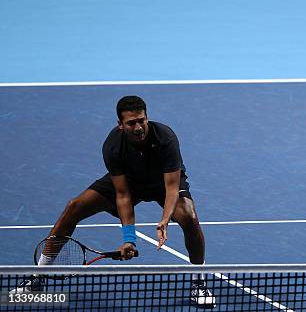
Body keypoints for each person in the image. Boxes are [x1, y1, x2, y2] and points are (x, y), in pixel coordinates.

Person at [11, 96, 216, 306]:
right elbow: (123, 194)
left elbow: (171, 187)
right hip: (130, 181)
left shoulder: (166, 138)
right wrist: (129, 239)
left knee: (189, 216)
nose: (138, 127)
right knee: (74, 207)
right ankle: (36, 279)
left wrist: (164, 220)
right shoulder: (113, 146)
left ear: (147, 118)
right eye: (131, 123)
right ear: (120, 125)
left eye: (141, 120)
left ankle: (198, 282)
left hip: (162, 182)